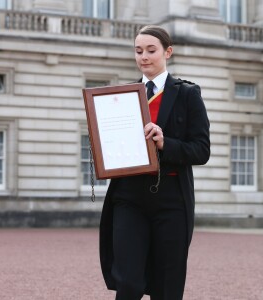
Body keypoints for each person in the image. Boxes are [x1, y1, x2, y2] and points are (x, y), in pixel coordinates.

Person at [99, 25, 210, 300]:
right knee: (128, 283)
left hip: (171, 201)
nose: (144, 57)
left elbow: (202, 150)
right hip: (128, 198)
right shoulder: (121, 98)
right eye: (138, 51)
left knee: (166, 287)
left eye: (151, 50)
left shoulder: (187, 94)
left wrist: (165, 142)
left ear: (167, 52)